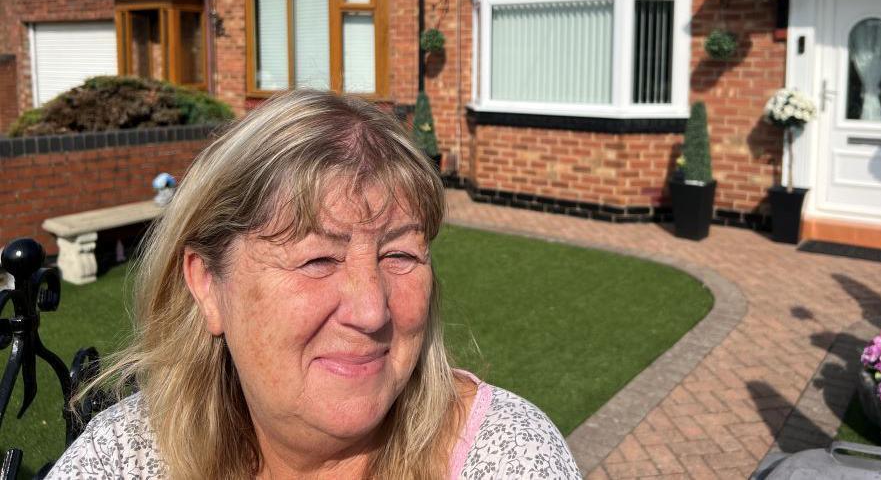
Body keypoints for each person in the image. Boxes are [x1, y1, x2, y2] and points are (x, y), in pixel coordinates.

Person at [49, 91, 581, 479]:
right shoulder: (130, 455)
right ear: (208, 284)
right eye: (318, 259)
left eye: (399, 253)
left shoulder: (508, 456)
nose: (371, 311)